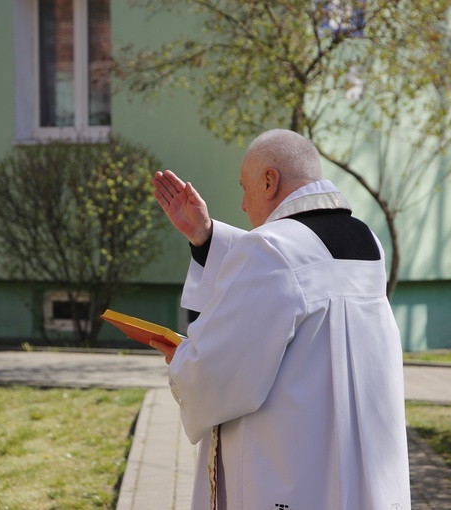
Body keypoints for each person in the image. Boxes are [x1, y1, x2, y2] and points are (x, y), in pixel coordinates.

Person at [149, 129, 411, 510]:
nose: (241, 204)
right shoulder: (365, 238)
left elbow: (217, 370)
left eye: (244, 187)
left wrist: (182, 359)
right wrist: (206, 237)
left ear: (269, 180)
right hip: (361, 467)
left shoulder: (270, 248)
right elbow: (289, 274)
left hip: (290, 473)